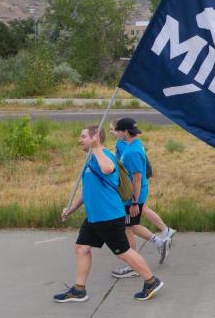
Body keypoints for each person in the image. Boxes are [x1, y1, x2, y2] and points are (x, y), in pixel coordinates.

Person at [54, 126, 164, 303]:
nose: (79, 140)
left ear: (95, 138)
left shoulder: (104, 155)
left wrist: (97, 147)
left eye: (83, 136)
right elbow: (86, 190)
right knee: (82, 248)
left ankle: (151, 281)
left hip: (108, 216)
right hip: (94, 217)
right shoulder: (90, 159)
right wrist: (72, 209)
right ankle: (79, 290)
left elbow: (107, 169)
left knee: (123, 252)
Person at [110, 118, 171, 279]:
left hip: (133, 196)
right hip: (133, 194)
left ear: (124, 132)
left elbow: (136, 178)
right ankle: (159, 242)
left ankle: (133, 266)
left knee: (128, 228)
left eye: (118, 130)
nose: (115, 132)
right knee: (131, 225)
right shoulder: (134, 145)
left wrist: (134, 202)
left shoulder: (131, 152)